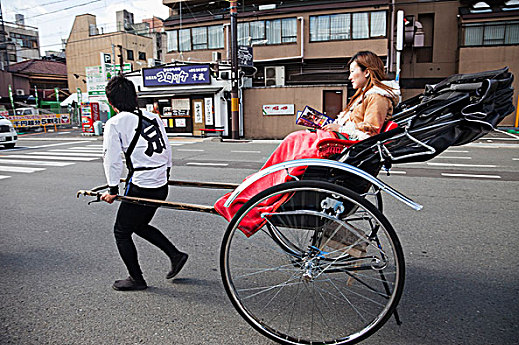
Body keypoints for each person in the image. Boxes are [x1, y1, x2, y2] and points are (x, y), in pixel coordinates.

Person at [214, 51, 400, 233]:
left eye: (353, 71)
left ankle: (275, 183)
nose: (350, 76)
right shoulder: (364, 95)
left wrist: (340, 129)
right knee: (295, 138)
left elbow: (371, 130)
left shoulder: (377, 96)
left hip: (349, 145)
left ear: (366, 71)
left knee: (297, 140)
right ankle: (269, 179)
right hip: (343, 139)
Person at [100, 75, 188, 291]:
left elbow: (111, 159)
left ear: (111, 102)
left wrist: (112, 189)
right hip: (160, 184)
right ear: (134, 96)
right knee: (137, 225)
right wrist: (165, 173)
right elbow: (167, 148)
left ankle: (136, 279)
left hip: (142, 185)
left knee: (121, 231)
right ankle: (175, 255)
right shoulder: (153, 117)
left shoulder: (115, 123)